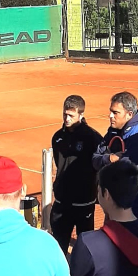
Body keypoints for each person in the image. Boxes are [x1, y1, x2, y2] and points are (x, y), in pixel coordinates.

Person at [50, 95, 103, 254]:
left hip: (84, 202)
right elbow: (59, 163)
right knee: (58, 247)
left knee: (85, 247)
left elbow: (99, 166)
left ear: (81, 114)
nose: (67, 119)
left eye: (71, 115)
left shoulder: (93, 138)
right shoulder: (57, 137)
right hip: (62, 201)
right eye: (65, 114)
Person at [92, 91, 138, 218]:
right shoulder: (112, 132)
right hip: (112, 204)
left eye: (115, 112)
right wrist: (110, 158)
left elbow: (129, 171)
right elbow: (95, 159)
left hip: (134, 209)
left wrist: (109, 163)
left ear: (129, 114)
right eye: (111, 111)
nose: (110, 116)